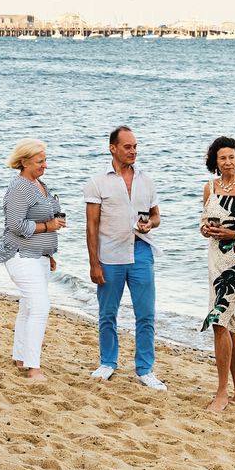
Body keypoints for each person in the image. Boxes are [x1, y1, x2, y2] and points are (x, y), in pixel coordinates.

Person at [84, 126, 165, 390]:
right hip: (109, 255)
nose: (133, 151)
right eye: (128, 147)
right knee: (108, 313)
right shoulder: (98, 182)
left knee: (146, 314)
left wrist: (149, 225)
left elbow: (156, 216)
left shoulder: (146, 180)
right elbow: (91, 226)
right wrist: (94, 263)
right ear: (113, 148)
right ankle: (108, 362)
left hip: (141, 251)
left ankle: (145, 369)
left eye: (135, 146)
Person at [0, 140, 65, 381]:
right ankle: (33, 367)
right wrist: (48, 226)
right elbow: (16, 225)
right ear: (23, 162)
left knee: (28, 306)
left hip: (38, 257)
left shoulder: (39, 184)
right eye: (39, 161)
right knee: (40, 307)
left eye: (45, 160)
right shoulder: (19, 188)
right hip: (20, 255)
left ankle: (21, 356)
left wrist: (48, 253)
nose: (45, 165)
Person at [200, 136, 235, 413]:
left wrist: (232, 233)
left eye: (232, 157)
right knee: (229, 323)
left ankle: (222, 392)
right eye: (223, 158)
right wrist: (206, 230)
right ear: (216, 161)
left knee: (219, 320)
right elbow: (204, 222)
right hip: (215, 260)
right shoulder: (209, 188)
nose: (228, 162)